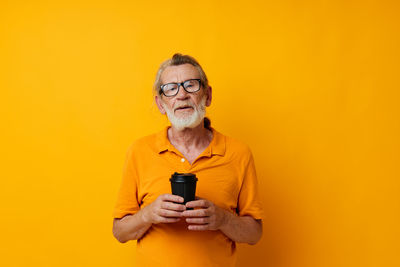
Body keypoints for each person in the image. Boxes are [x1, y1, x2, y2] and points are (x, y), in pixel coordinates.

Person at [112, 53, 263, 267]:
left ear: (207, 95)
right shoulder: (139, 151)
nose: (181, 95)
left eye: (191, 85)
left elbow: (254, 234)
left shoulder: (239, 153)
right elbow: (120, 232)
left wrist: (222, 218)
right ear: (161, 103)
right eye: (171, 89)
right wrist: (148, 214)